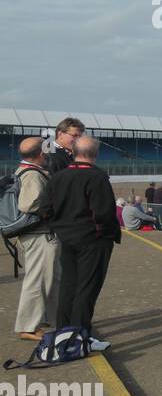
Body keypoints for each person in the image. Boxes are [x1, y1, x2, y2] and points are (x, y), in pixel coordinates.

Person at [46, 136, 118, 348]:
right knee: (87, 288)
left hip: (67, 238)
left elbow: (45, 209)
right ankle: (79, 336)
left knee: (69, 285)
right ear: (95, 154)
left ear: (73, 151)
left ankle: (63, 332)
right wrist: (105, 233)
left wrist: (61, 226)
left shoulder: (59, 177)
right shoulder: (97, 177)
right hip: (93, 240)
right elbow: (104, 213)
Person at [10, 137, 59, 342]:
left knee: (46, 279)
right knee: (37, 280)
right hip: (39, 235)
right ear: (41, 154)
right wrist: (51, 212)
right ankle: (28, 326)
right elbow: (29, 205)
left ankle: (40, 321)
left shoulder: (23, 171)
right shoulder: (32, 174)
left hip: (37, 235)